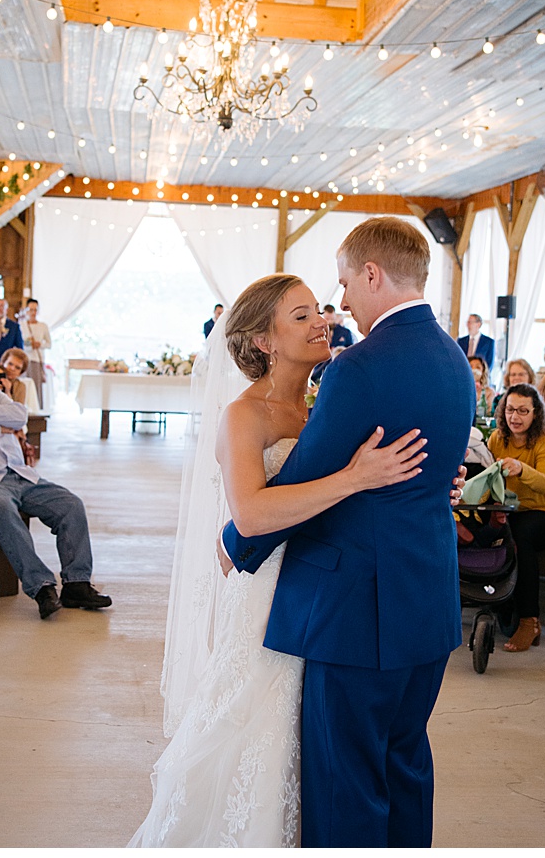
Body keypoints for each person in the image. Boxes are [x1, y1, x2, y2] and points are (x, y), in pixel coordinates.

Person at [130, 274, 436, 848]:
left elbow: (364, 493)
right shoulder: (245, 416)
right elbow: (249, 517)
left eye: (318, 309)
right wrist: (352, 477)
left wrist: (420, 489)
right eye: (300, 317)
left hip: (327, 594)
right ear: (264, 341)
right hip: (269, 593)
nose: (322, 320)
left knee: (320, 746)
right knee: (262, 732)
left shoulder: (326, 406)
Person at [219, 218, 475, 847]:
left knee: (345, 786)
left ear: (371, 274)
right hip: (426, 601)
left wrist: (236, 541)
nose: (341, 309)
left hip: (357, 612)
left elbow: (313, 470)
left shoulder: (359, 368)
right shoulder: (454, 359)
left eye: (343, 286)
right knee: (406, 766)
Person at [0, 350, 111, 619]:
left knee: (70, 504)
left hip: (21, 475)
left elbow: (19, 415)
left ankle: (76, 584)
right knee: (3, 513)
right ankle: (42, 587)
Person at [488, 384, 545, 652]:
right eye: (510, 409)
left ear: (535, 413)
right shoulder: (496, 439)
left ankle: (530, 620)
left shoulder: (544, 441)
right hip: (509, 510)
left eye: (523, 411)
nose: (515, 417)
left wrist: (520, 469)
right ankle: (498, 606)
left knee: (520, 536)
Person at [20, 298, 52, 407]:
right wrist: (29, 346)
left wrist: (40, 344)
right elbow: (19, 343)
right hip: (24, 360)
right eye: (31, 309)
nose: (33, 312)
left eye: (35, 310)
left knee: (37, 387)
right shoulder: (22, 325)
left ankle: (38, 411)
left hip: (37, 360)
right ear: (26, 310)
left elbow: (49, 344)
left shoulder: (43, 326)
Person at [469, 356, 497, 421]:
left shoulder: (489, 392)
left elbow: (490, 413)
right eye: (470, 367)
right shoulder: (462, 390)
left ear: (483, 371)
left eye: (478, 367)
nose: (474, 370)